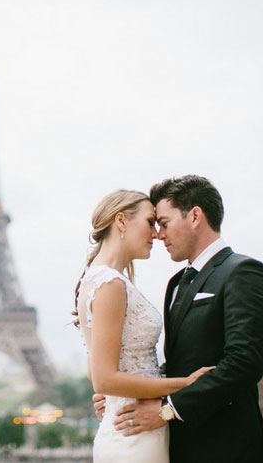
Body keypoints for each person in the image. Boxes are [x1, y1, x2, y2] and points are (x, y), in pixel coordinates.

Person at [93, 175, 263, 463]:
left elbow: (244, 364)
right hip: (178, 447)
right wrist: (126, 395)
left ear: (194, 216)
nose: (158, 234)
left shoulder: (244, 272)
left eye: (164, 223)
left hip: (226, 447)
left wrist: (168, 410)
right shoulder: (177, 283)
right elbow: (182, 361)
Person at [73, 189, 214, 463]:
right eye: (151, 222)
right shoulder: (110, 284)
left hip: (131, 428)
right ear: (121, 221)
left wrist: (115, 397)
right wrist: (183, 385)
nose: (157, 233)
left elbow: (97, 371)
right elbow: (103, 378)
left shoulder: (99, 279)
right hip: (133, 438)